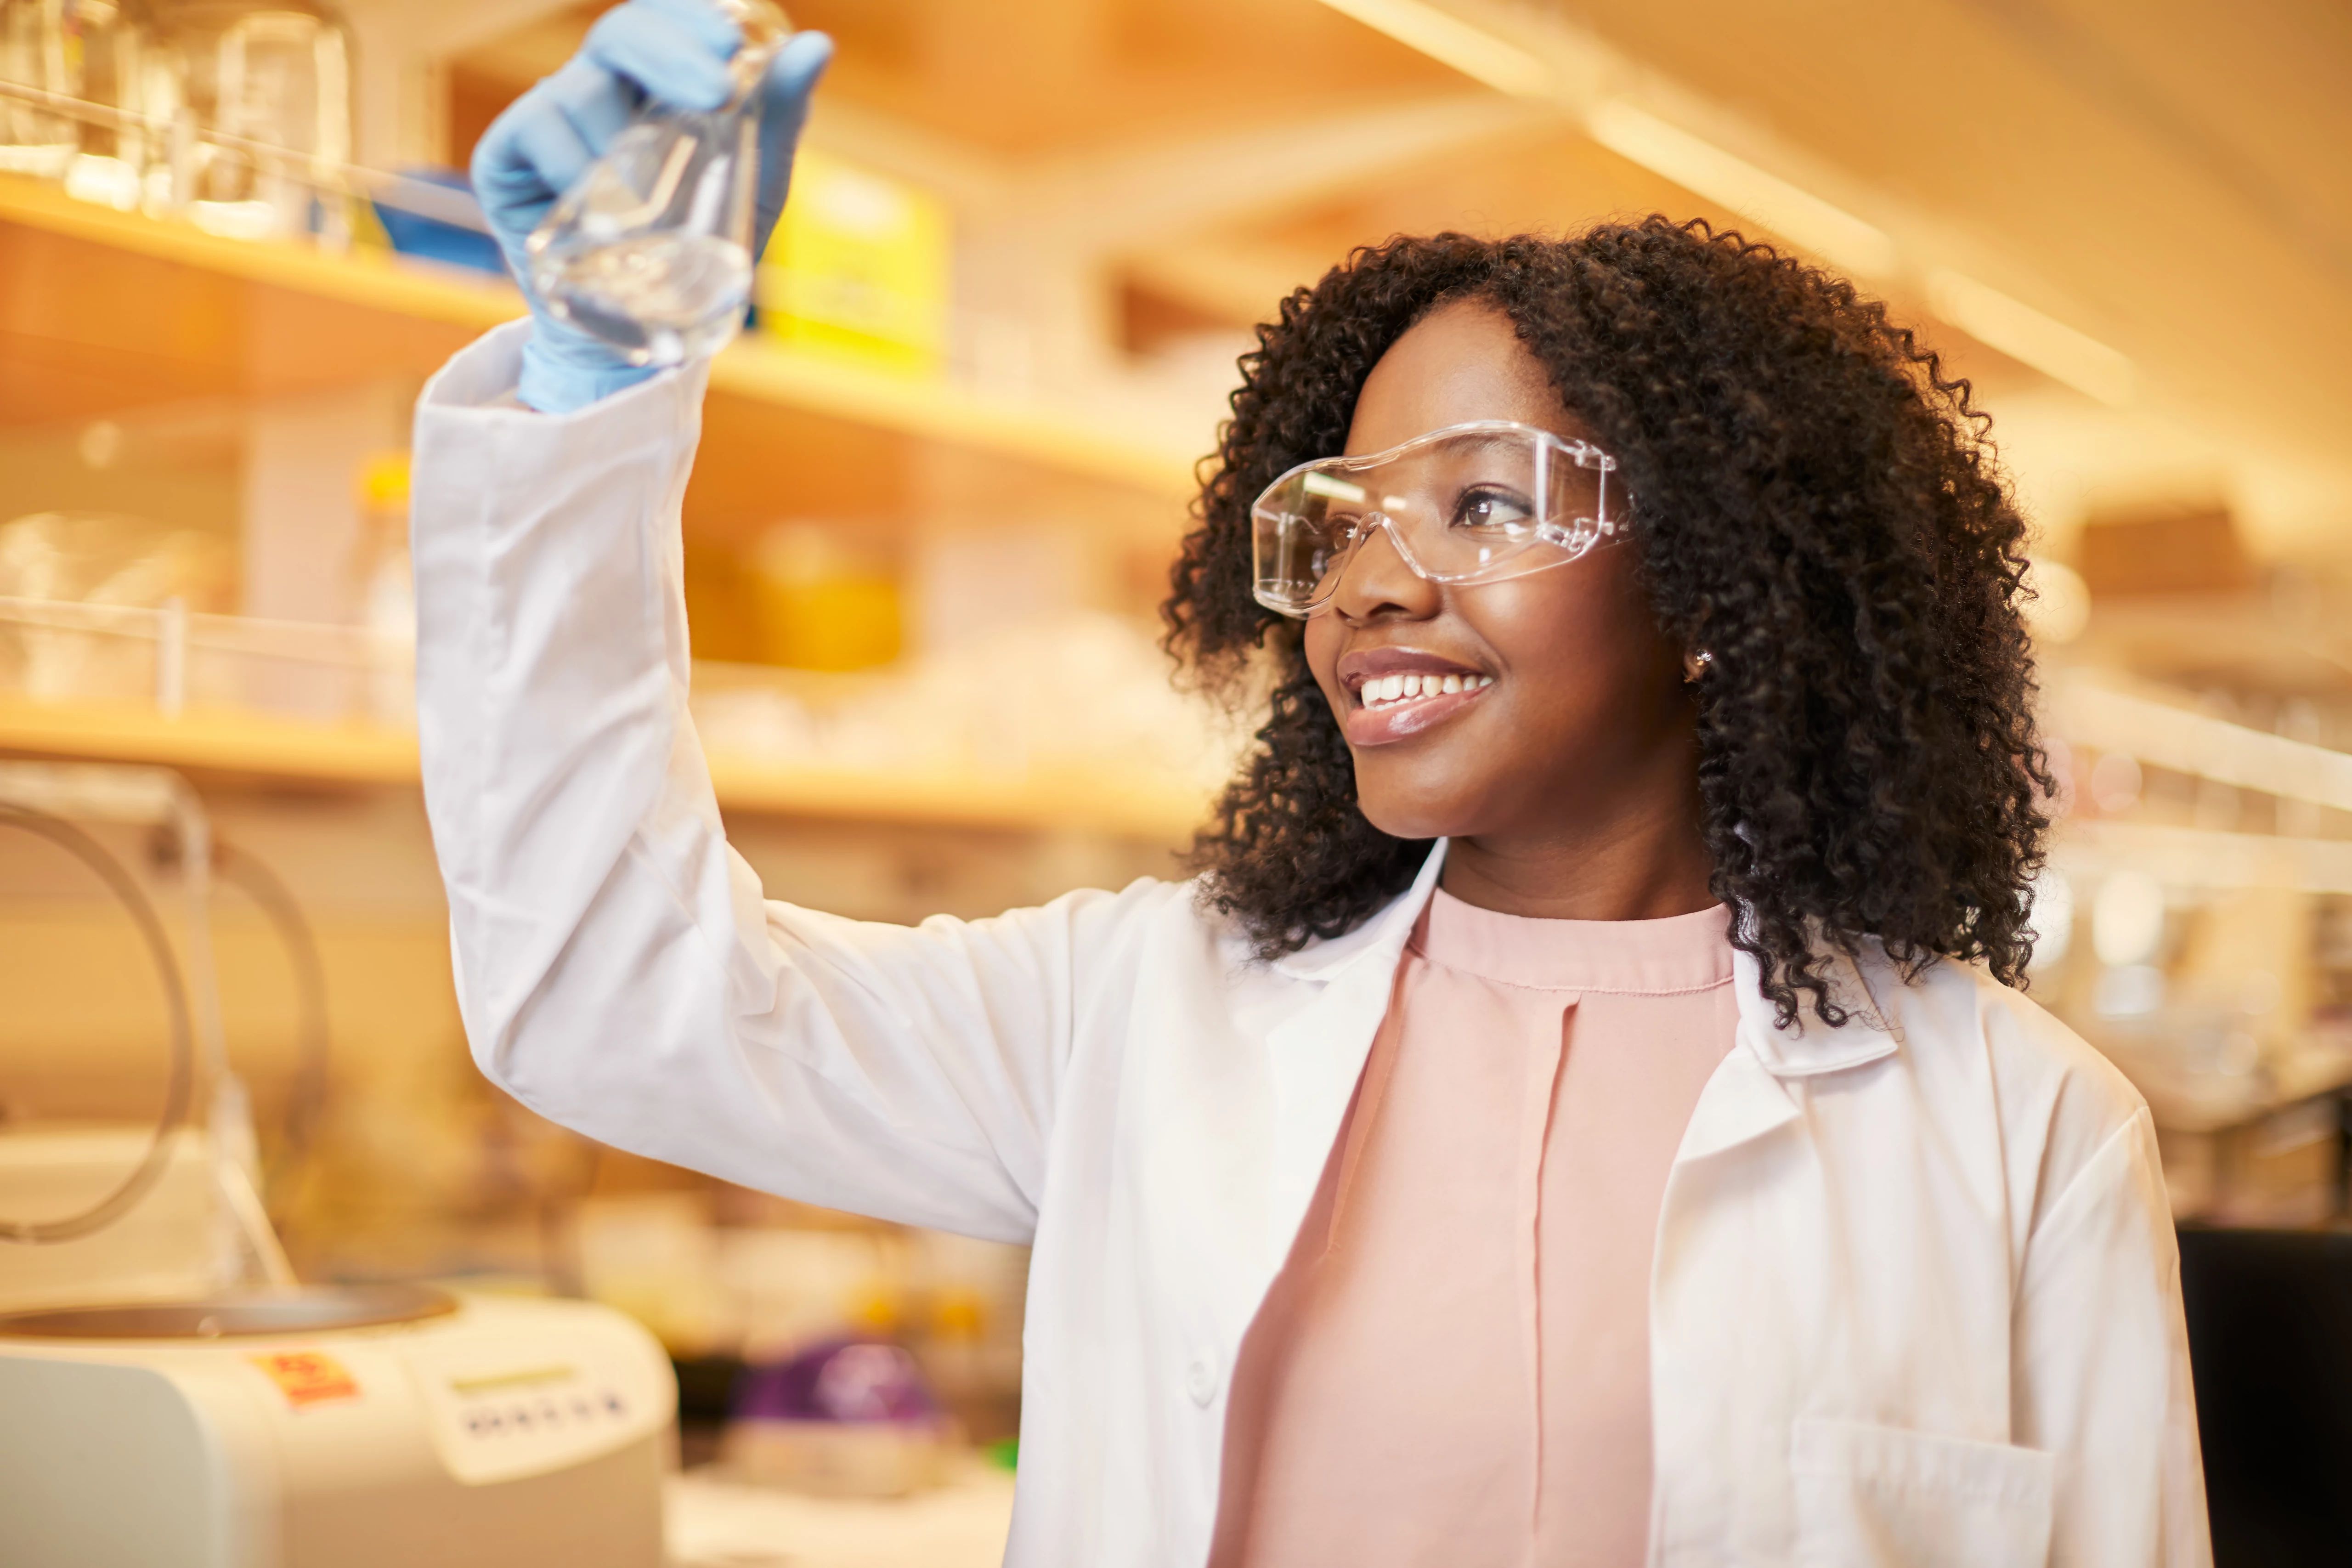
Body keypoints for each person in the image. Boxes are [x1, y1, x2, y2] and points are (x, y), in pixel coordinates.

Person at [416, 2, 2210, 1563]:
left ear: (1714, 591)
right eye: (1336, 520)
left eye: (1483, 502)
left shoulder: (2015, 1127)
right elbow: (605, 993)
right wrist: (598, 390)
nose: (1365, 584)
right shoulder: (1142, 1013)